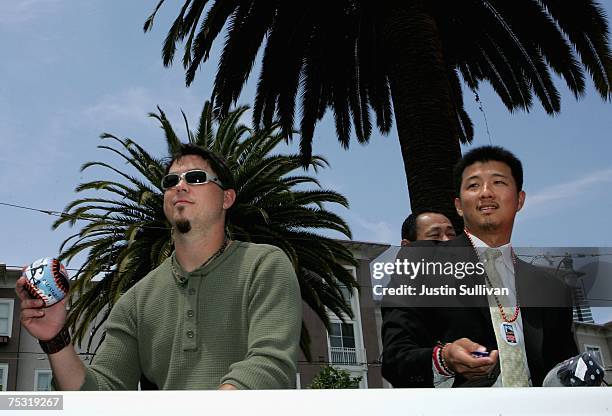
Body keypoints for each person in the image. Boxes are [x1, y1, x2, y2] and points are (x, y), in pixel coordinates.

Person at [16, 144, 302, 390]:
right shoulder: (136, 301)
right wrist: (55, 339)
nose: (180, 185)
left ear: (227, 198)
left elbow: (270, 364)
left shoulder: (265, 265)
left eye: (196, 177)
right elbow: (101, 395)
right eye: (171, 181)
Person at [382, 145, 577, 388]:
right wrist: (444, 359)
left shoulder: (551, 289)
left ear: (519, 200)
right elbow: (394, 359)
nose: (486, 193)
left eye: (498, 183)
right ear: (459, 206)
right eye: (474, 185)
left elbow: (563, 371)